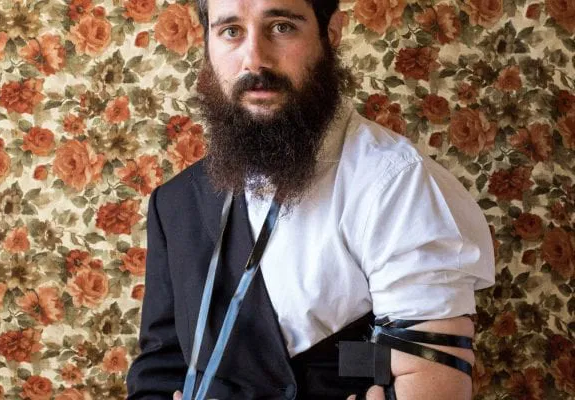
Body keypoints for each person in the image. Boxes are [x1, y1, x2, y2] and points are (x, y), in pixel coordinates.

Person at [126, 0, 495, 399]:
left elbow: (435, 386)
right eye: (231, 32)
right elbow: (159, 373)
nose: (254, 59)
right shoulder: (174, 203)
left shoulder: (397, 186)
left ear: (330, 32)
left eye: (281, 27)